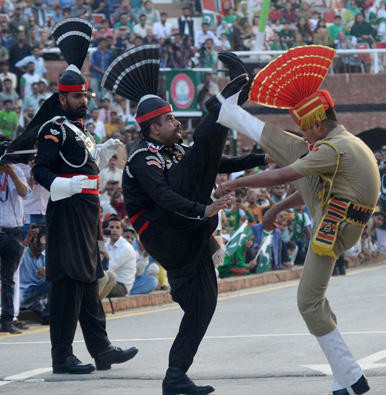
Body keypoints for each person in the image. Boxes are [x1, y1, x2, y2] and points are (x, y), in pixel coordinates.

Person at [103, 47, 266, 394]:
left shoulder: (175, 150)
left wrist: (262, 157)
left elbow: (212, 163)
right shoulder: (140, 160)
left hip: (189, 233)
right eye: (170, 119)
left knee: (203, 305)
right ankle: (221, 104)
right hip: (166, 231)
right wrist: (204, 210)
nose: (177, 122)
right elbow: (164, 197)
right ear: (153, 128)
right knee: (204, 143)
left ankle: (175, 375)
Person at [215, 46, 377, 395]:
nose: (305, 134)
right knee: (294, 149)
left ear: (318, 121)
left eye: (306, 128)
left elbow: (283, 175)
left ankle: (350, 377)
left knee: (308, 302)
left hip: (333, 227)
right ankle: (231, 114)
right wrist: (276, 210)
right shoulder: (344, 143)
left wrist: (237, 182)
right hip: (339, 217)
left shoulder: (332, 149)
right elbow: (311, 185)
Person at [31, 18, 137, 375]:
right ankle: (61, 356)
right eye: (77, 96)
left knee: (90, 282)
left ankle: (102, 350)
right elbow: (40, 171)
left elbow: (87, 167)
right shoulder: (54, 129)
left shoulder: (81, 131)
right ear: (62, 97)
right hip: (66, 213)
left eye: (85, 96)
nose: (83, 101)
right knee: (68, 286)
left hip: (87, 213)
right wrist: (71, 185)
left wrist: (103, 153)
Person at [0, 161, 29, 334]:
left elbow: (24, 193)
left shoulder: (16, 170)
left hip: (12, 232)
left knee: (8, 279)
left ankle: (7, 320)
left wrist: (10, 172)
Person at [19, 226, 50, 324]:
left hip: (38, 290)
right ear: (31, 241)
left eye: (44, 241)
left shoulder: (46, 255)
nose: (42, 244)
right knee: (16, 301)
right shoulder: (23, 252)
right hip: (23, 291)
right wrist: (26, 240)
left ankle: (48, 315)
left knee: (55, 281)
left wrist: (48, 272)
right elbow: (15, 255)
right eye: (38, 240)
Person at [104, 215, 136, 297]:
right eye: (111, 227)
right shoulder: (106, 243)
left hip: (121, 286)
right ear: (107, 230)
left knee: (92, 285)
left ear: (122, 231)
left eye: (117, 227)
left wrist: (104, 254)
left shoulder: (126, 248)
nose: (114, 230)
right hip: (108, 280)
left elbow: (109, 268)